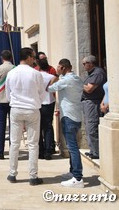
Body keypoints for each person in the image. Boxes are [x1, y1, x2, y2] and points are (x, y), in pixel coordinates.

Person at [6, 47, 46, 186]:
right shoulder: (36, 74)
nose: (34, 59)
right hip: (32, 109)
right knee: (33, 144)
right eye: (33, 56)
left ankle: (12, 173)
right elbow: (42, 93)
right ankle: (33, 176)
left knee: (14, 142)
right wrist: (35, 102)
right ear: (29, 57)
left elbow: (7, 93)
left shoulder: (11, 73)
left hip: (16, 108)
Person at [47, 58, 85, 188]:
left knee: (72, 147)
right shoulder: (77, 79)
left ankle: (78, 177)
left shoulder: (64, 80)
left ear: (63, 67)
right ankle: (73, 172)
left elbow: (49, 88)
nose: (57, 69)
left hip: (68, 116)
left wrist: (56, 75)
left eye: (58, 67)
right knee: (73, 146)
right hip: (76, 116)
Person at [81, 55, 106, 160]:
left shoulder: (98, 73)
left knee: (92, 127)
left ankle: (96, 151)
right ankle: (93, 150)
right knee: (88, 126)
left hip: (93, 103)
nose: (83, 66)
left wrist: (78, 84)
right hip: (88, 103)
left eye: (84, 64)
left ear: (90, 64)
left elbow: (89, 89)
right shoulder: (92, 73)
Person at [0, 50, 14, 160]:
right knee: (13, 127)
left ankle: (0, 152)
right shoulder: (15, 69)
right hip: (12, 100)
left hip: (1, 100)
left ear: (2, 58)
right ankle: (13, 151)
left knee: (1, 127)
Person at [37, 58, 57, 160]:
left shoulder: (35, 76)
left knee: (38, 128)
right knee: (48, 127)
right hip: (49, 102)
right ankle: (48, 151)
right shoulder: (52, 77)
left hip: (38, 103)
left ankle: (40, 151)